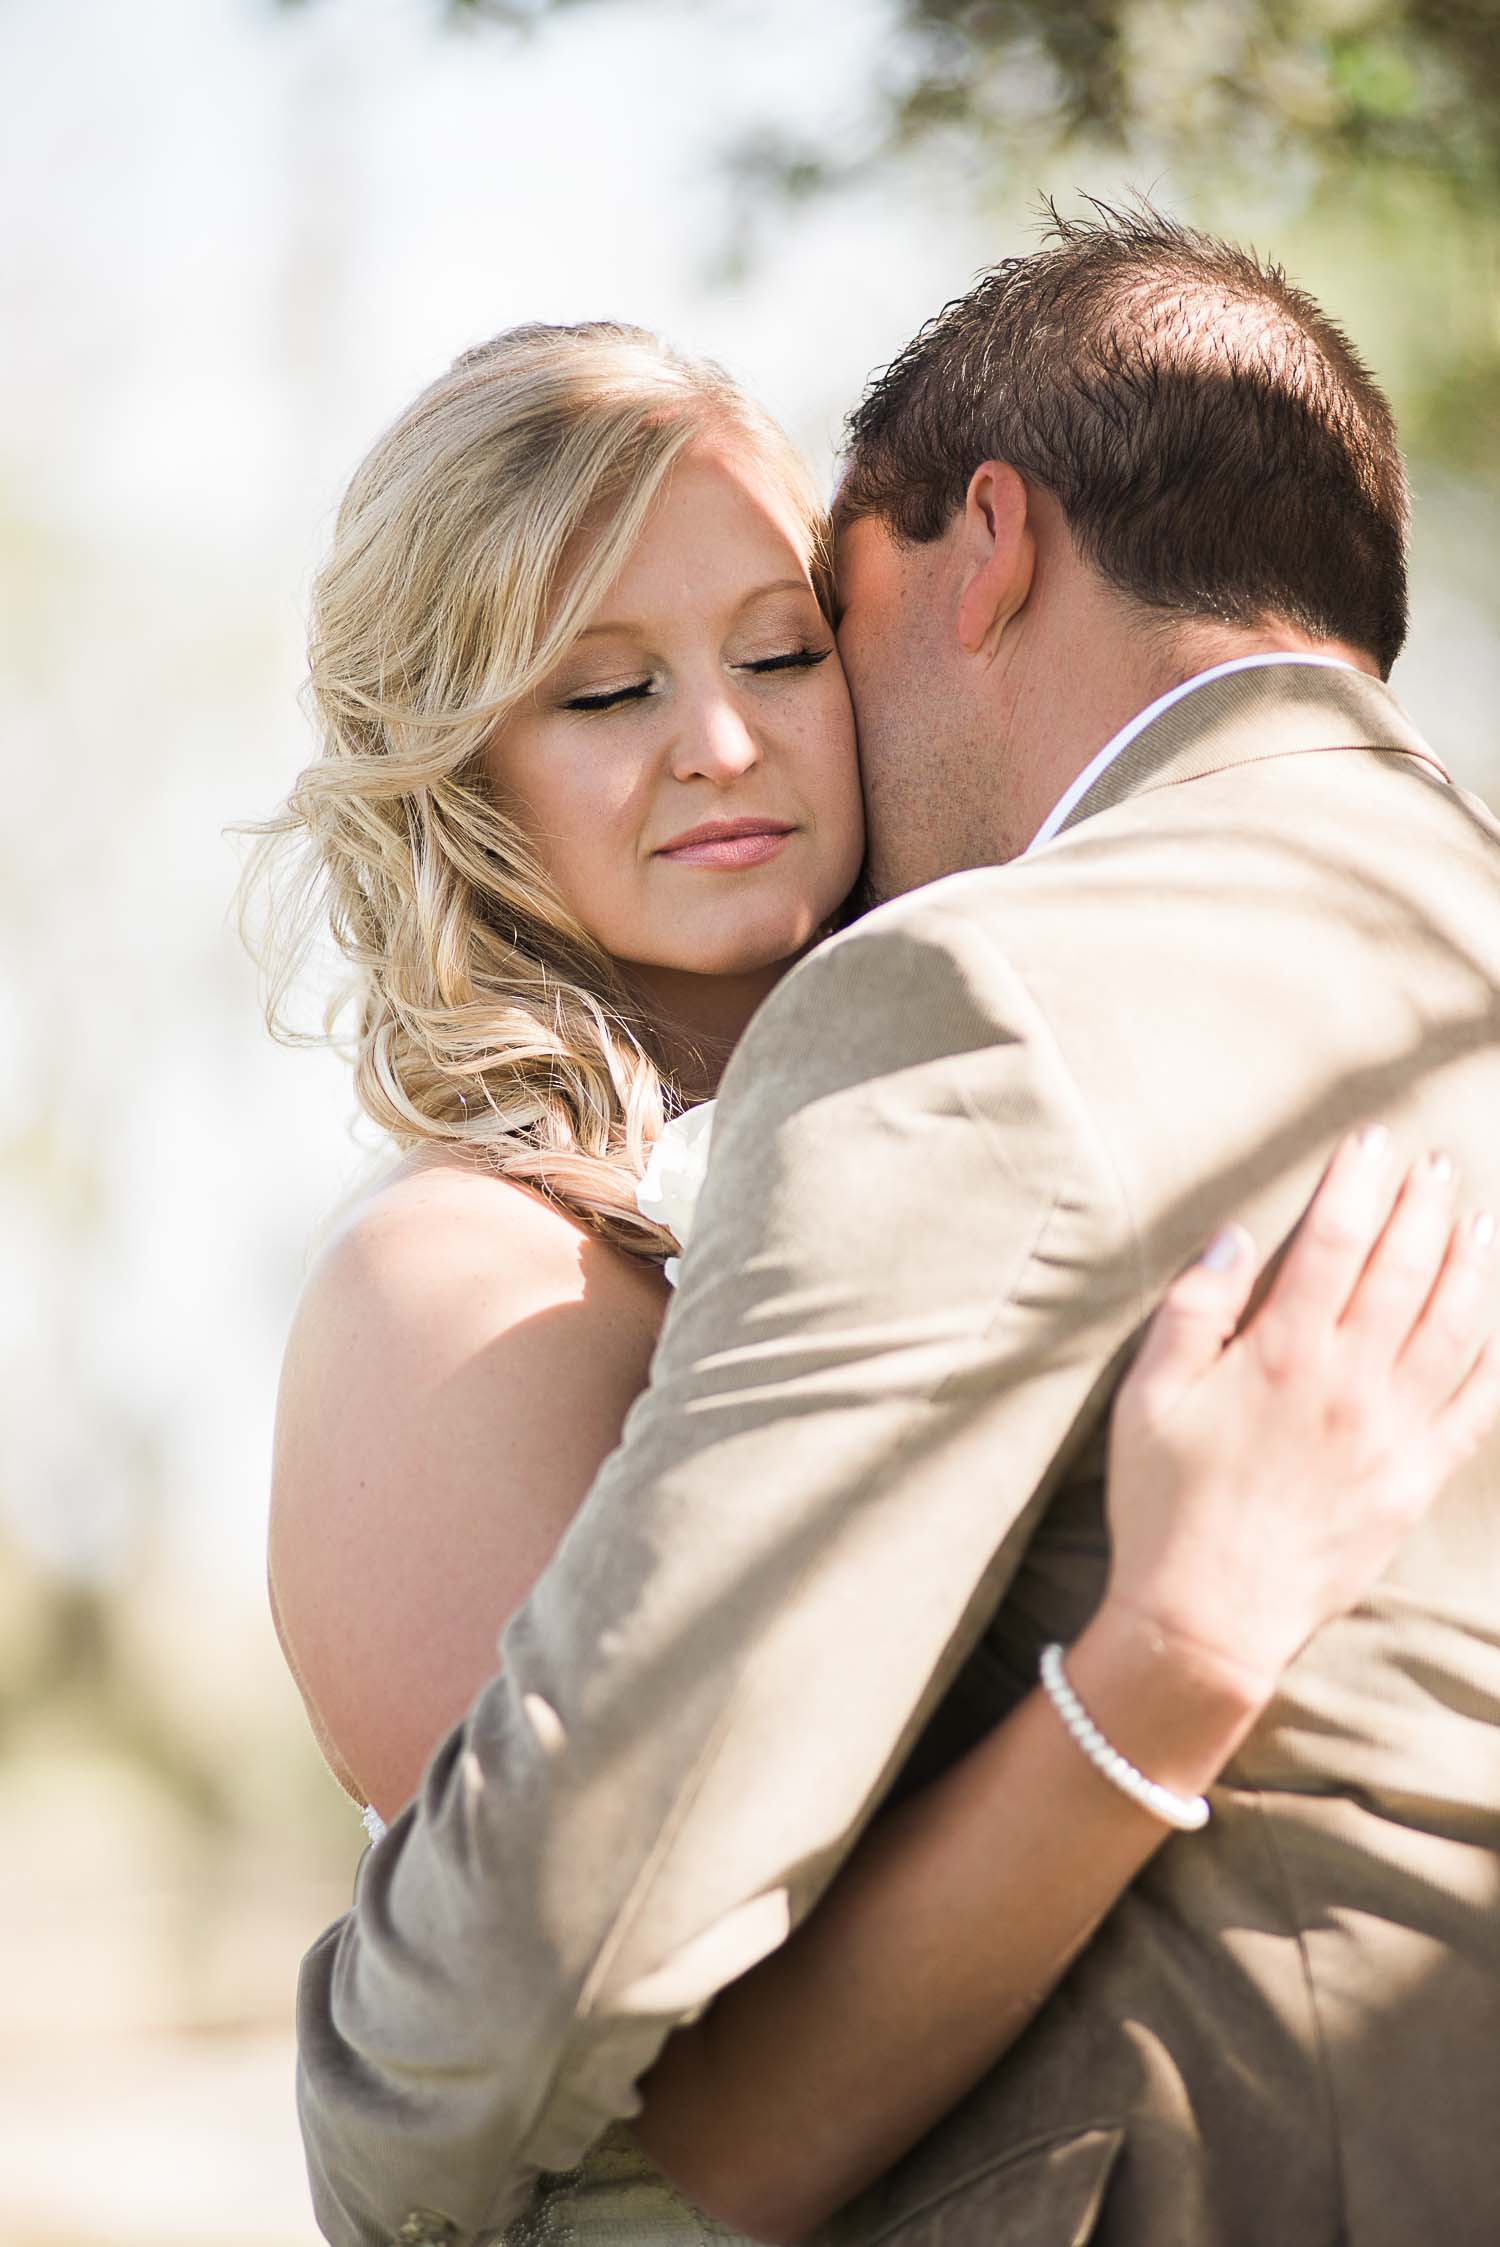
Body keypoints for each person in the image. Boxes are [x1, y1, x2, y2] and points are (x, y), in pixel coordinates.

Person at [273, 210, 1500, 2247]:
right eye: (601, 691)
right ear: (463, 779)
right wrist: (1168, 1658)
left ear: (978, 562)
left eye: (780, 648)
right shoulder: (461, 1285)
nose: (729, 741)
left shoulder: (979, 1054)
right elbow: (584, 2099)